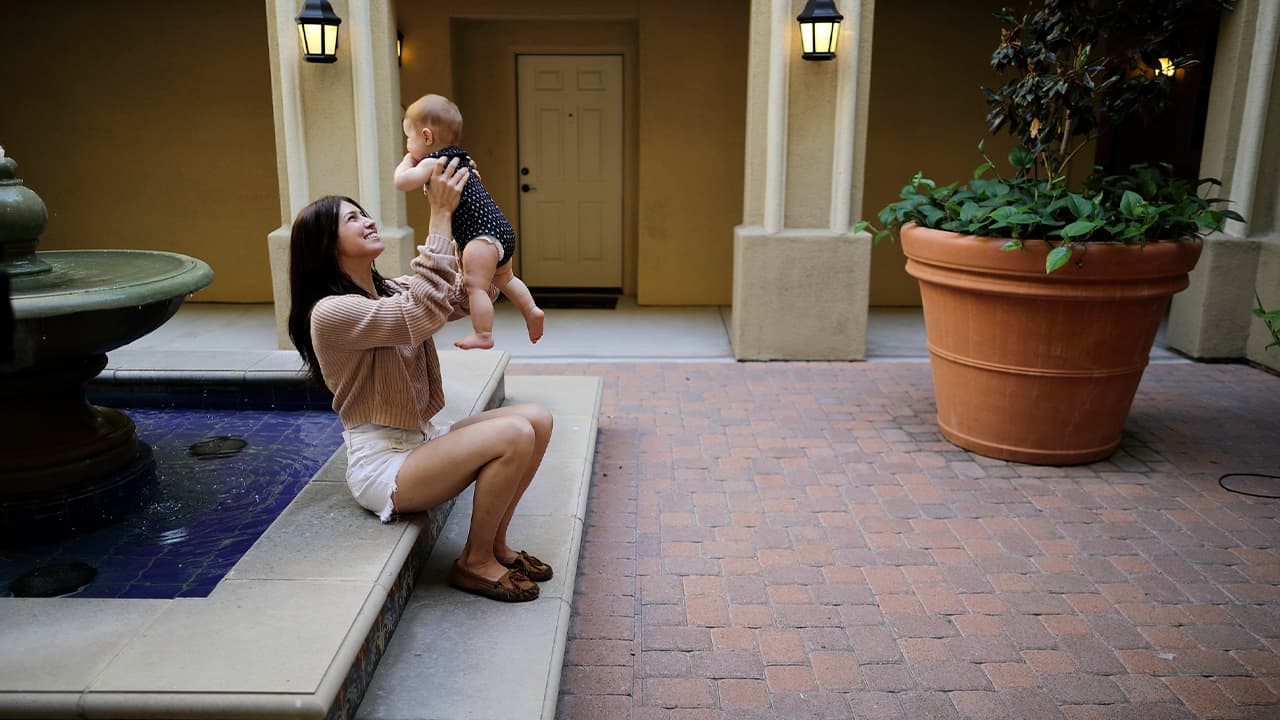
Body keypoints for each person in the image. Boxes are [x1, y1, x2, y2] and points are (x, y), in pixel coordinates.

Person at [287, 158, 554, 603]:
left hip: (423, 440)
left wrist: (472, 214)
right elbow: (422, 311)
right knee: (513, 433)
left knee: (538, 419)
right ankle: (474, 563)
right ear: (325, 246)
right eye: (352, 219)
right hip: (384, 465)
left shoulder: (391, 289)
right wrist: (439, 213)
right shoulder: (331, 312)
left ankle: (496, 546)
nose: (368, 221)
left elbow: (472, 292)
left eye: (363, 213)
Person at [394, 93, 544, 351]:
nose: (408, 144)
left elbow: (402, 182)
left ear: (427, 137)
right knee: (506, 278)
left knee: (476, 287)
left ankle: (483, 333)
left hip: (480, 237)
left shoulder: (432, 162)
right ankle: (531, 310)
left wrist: (408, 160)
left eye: (409, 138)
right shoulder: (462, 159)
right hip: (500, 229)